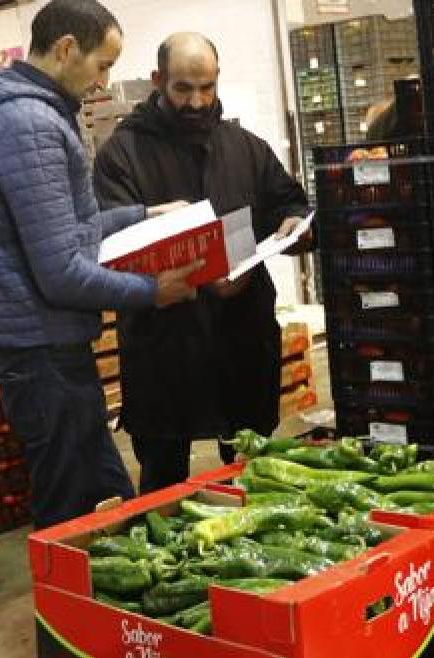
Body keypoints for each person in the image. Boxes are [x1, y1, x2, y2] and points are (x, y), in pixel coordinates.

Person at [0, 0, 202, 528]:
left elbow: (67, 230)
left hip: (44, 346)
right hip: (43, 352)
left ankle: (88, 608)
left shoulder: (26, 116)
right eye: (102, 64)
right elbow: (62, 272)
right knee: (74, 508)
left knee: (98, 495)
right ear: (67, 49)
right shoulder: (27, 125)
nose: (104, 81)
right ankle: (67, 610)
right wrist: (153, 292)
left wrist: (142, 214)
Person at [93, 32, 313, 493]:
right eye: (183, 89)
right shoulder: (122, 155)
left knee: (253, 474)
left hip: (241, 336)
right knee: (164, 485)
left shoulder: (245, 147)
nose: (197, 101)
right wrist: (181, 277)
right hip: (165, 346)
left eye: (207, 88)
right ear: (158, 81)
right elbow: (111, 245)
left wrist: (295, 226)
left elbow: (290, 204)